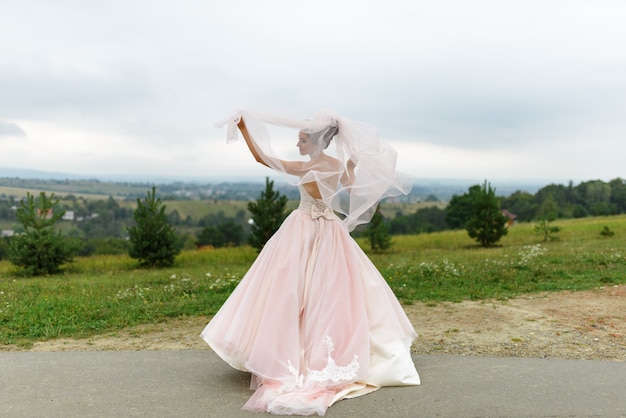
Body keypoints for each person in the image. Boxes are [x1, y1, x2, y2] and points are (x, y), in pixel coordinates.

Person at [201, 107, 420, 416]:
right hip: (330, 229)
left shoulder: (307, 168)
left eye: (302, 139)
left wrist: (244, 129)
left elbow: (263, 158)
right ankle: (327, 350)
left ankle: (288, 354)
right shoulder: (336, 165)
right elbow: (352, 186)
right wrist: (354, 160)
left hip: (302, 228)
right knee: (332, 294)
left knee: (289, 290)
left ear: (315, 142)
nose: (298, 144)